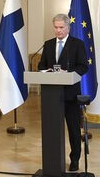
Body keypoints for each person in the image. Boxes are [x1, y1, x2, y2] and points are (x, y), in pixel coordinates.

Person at [38, 13, 88, 172]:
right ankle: (53, 159)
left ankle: (75, 159)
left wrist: (68, 72)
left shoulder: (77, 44)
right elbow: (41, 66)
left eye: (61, 27)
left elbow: (83, 66)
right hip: (51, 96)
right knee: (52, 129)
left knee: (73, 129)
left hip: (70, 95)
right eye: (56, 27)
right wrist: (48, 71)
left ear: (68, 27)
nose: (58, 31)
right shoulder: (48, 44)